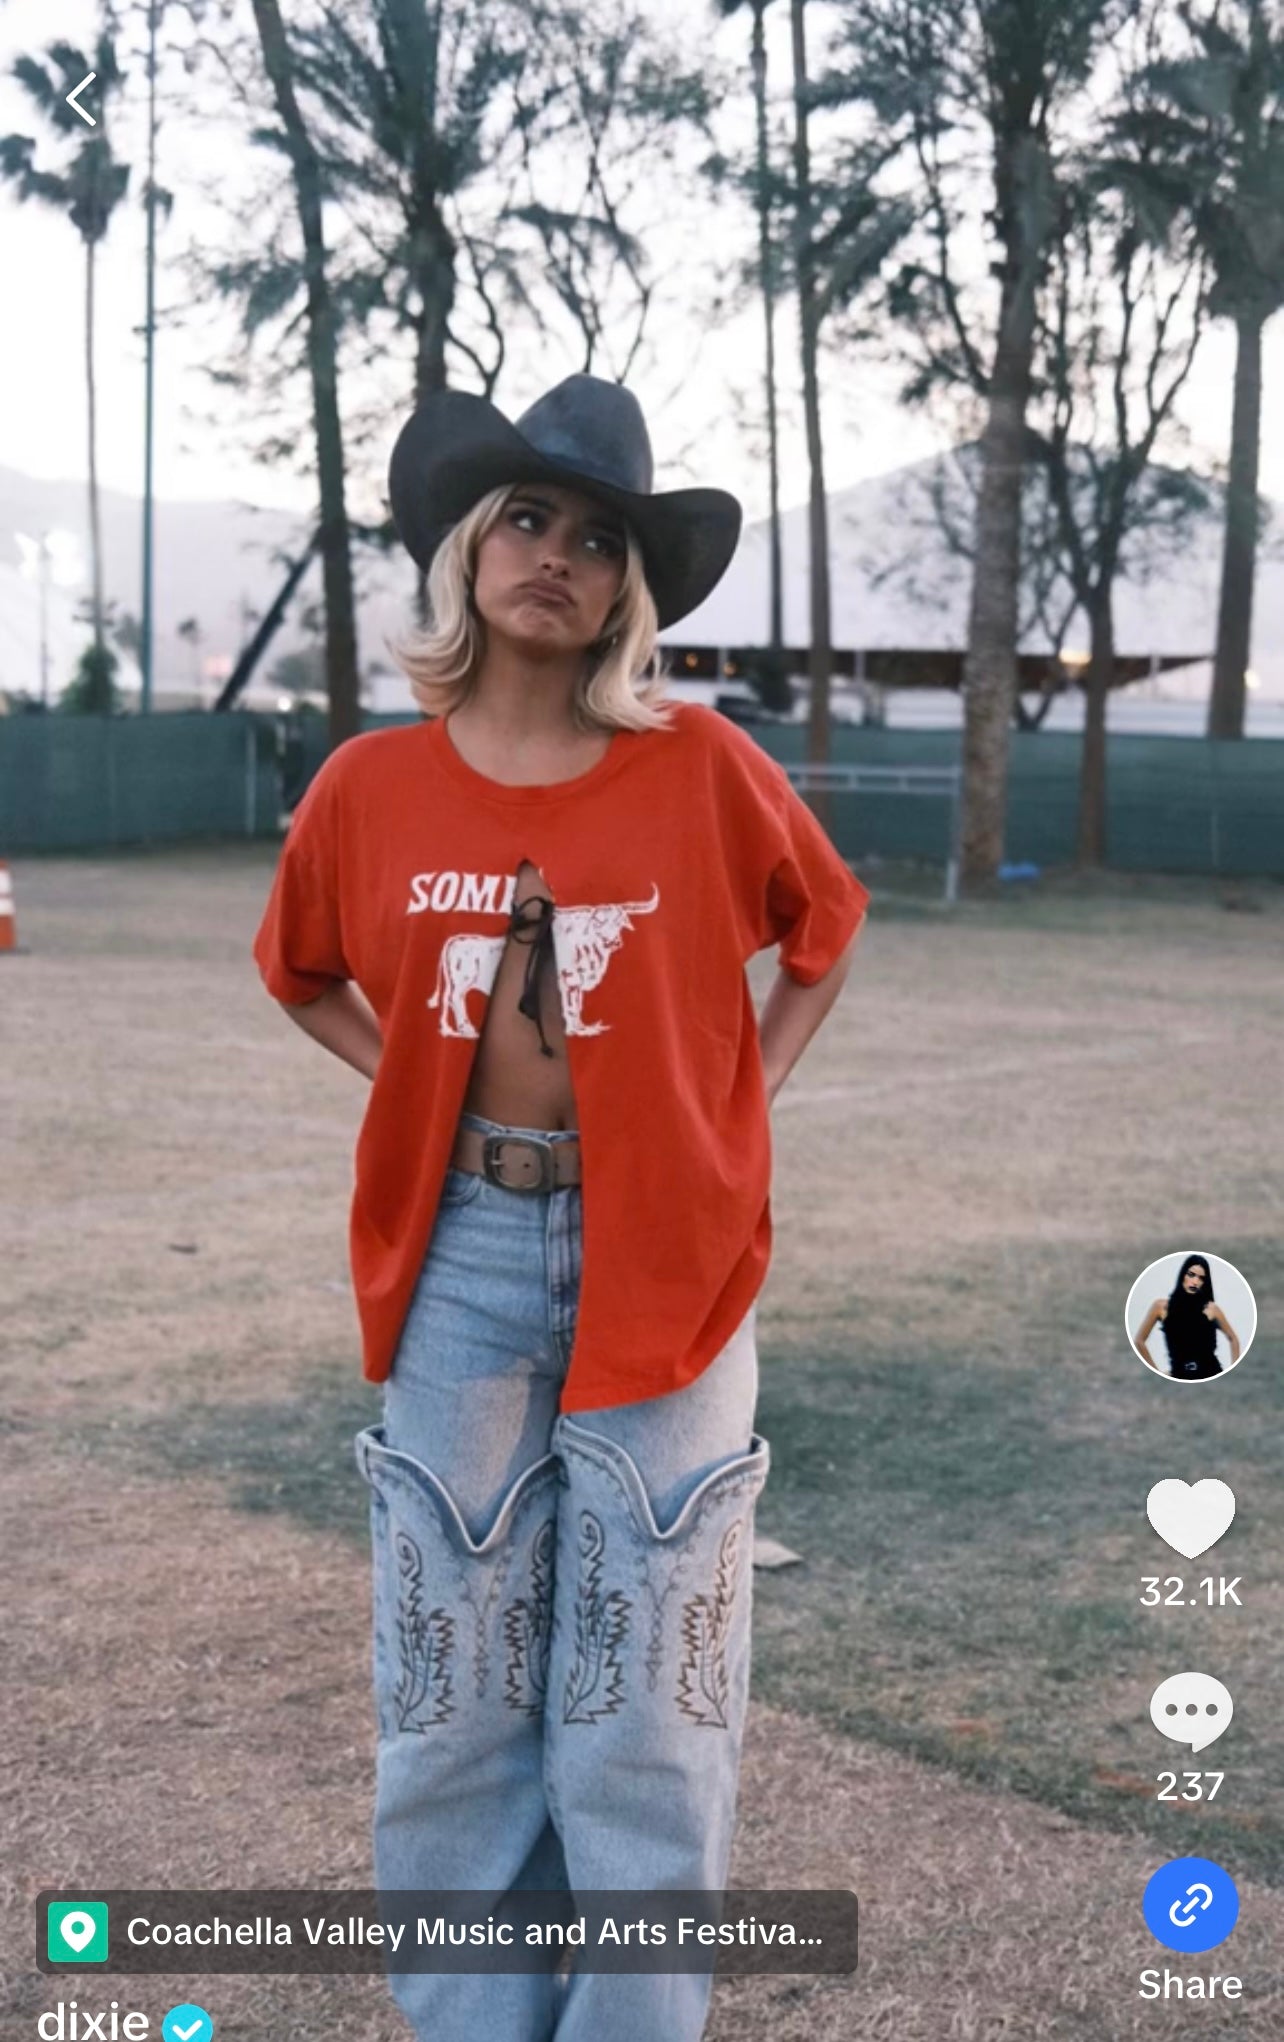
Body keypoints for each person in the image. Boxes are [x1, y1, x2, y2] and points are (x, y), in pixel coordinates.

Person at [252, 372, 870, 2042]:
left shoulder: (699, 767)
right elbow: (294, 966)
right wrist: (413, 1086)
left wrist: (728, 1104)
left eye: (597, 538)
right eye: (524, 517)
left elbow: (821, 925)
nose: (556, 556)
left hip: (658, 1257)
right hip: (455, 1257)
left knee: (641, 1709)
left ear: (624, 591)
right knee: (452, 1693)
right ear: (465, 551)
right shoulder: (369, 788)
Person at [1132, 1254, 1241, 1380]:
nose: (1195, 1281)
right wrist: (1157, 1372)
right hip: (1179, 1376)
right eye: (1191, 1274)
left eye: (1201, 1278)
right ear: (1182, 1275)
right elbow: (1139, 1341)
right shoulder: (1161, 1307)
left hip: (1210, 1373)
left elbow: (1233, 1339)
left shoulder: (1211, 1309)